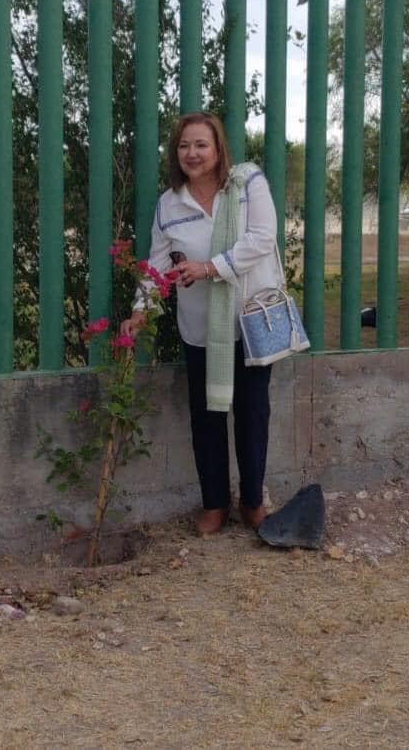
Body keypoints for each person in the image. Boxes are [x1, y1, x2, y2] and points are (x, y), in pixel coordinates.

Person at [121, 112, 281, 534]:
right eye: (183, 146)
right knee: (206, 417)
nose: (192, 153)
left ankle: (251, 501)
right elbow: (157, 265)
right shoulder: (170, 204)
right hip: (199, 326)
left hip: (249, 324)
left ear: (218, 148)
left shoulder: (248, 186)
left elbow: (262, 239)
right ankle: (214, 504)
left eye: (201, 144)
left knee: (252, 414)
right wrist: (141, 309)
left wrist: (209, 267)